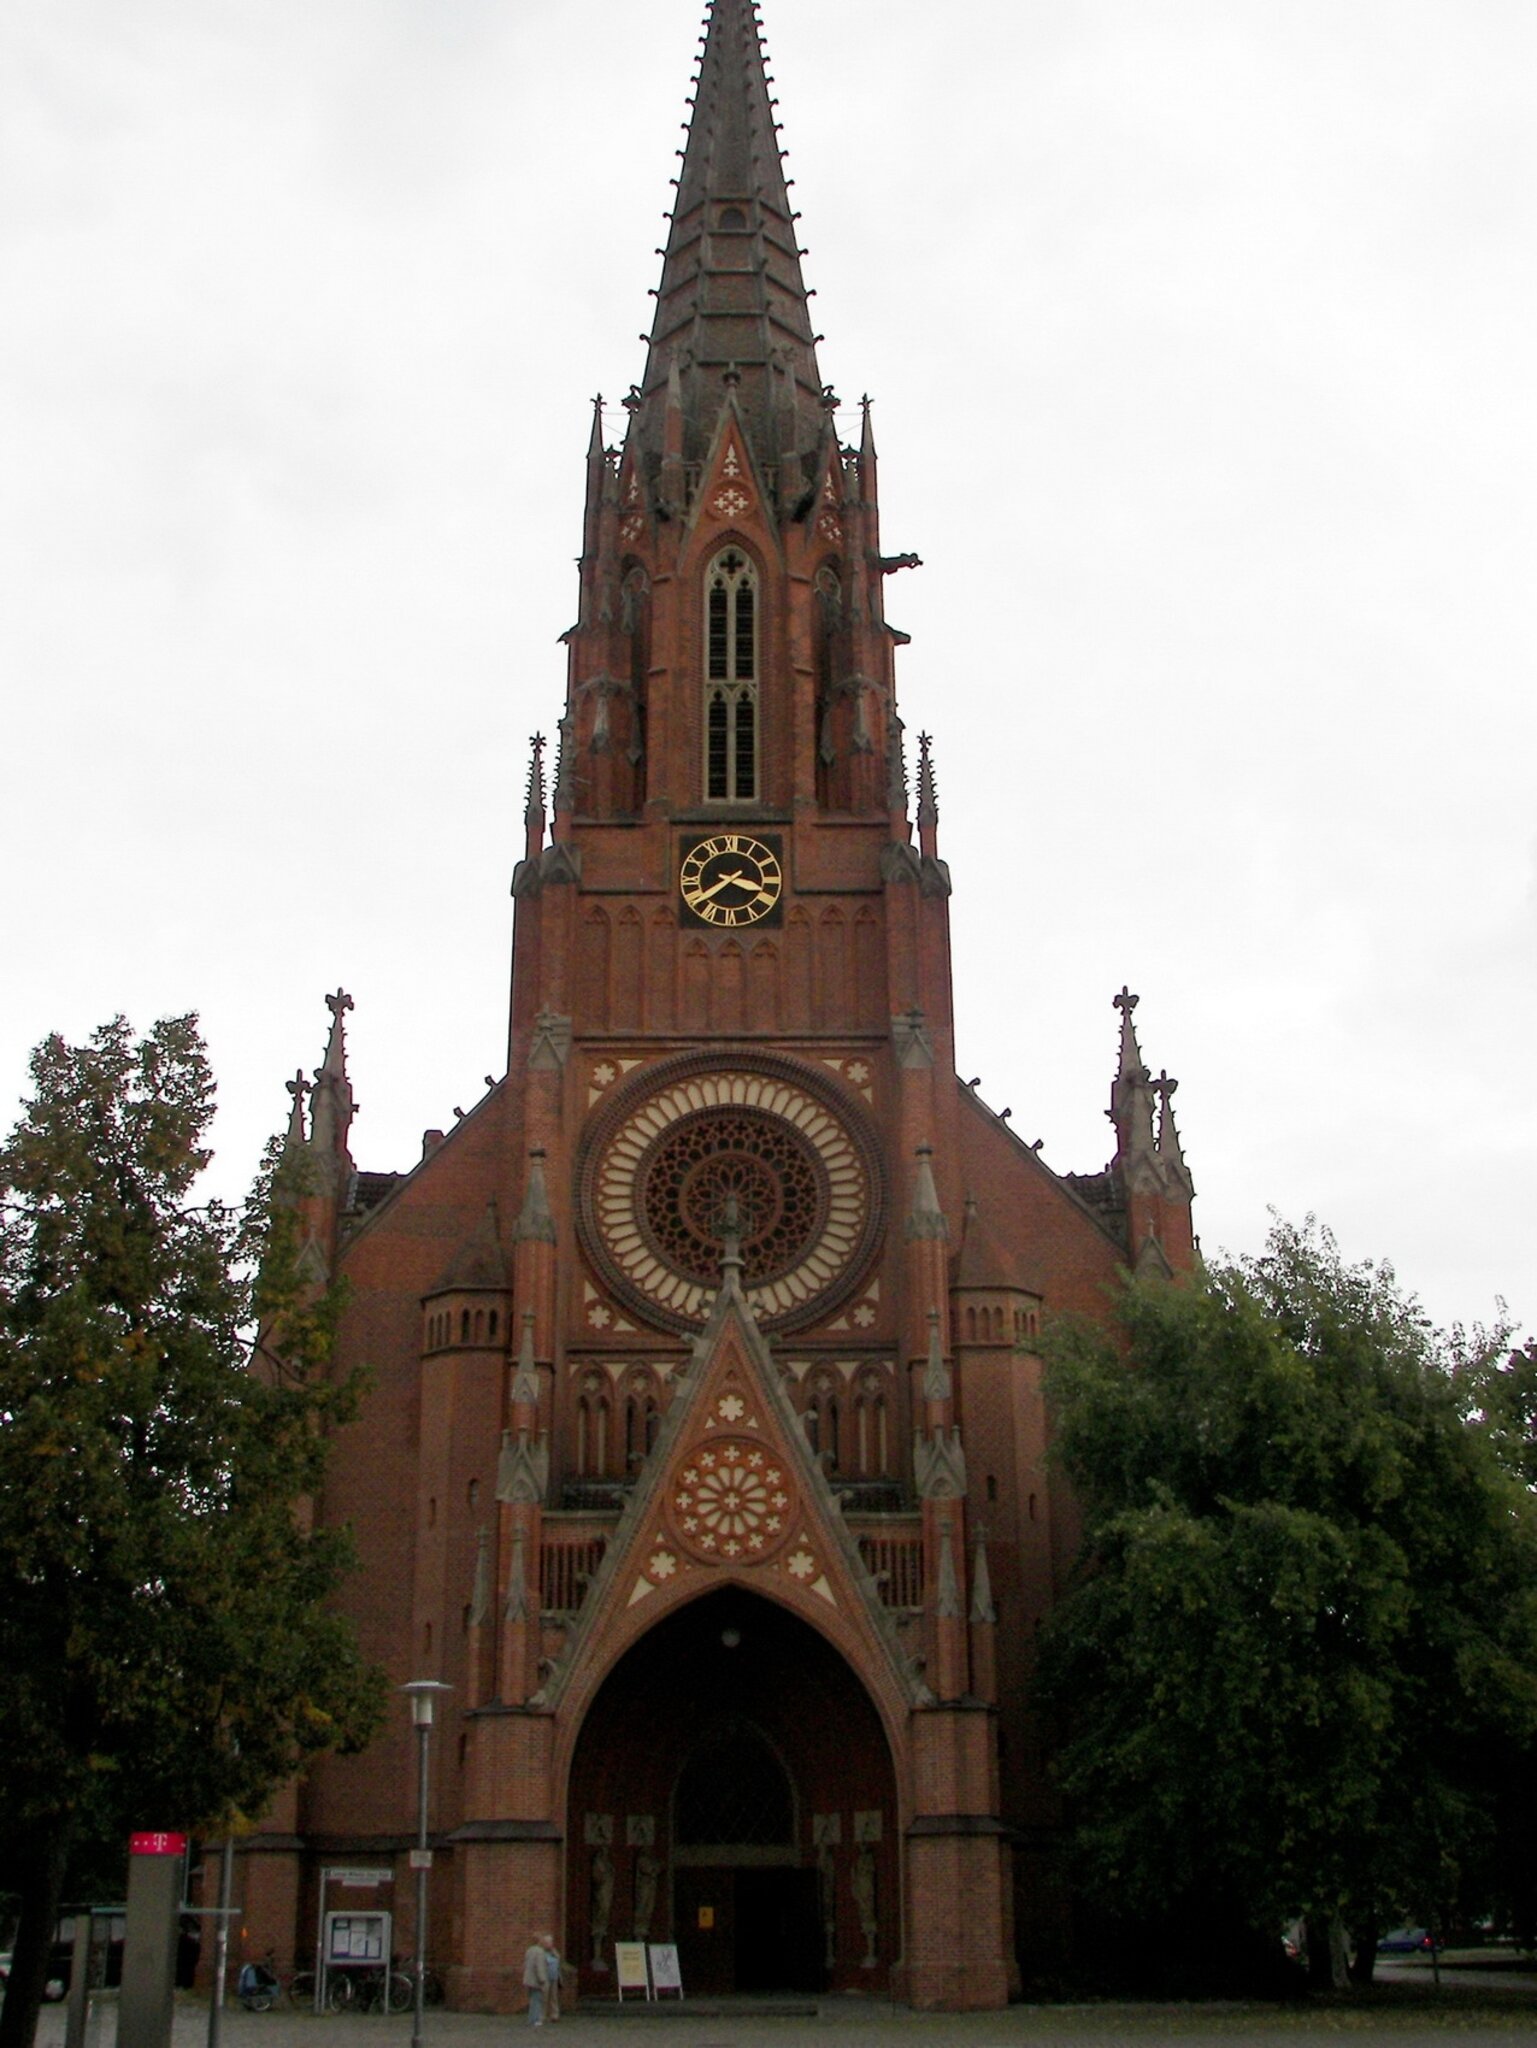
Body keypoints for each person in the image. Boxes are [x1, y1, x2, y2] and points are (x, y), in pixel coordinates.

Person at [522, 1935, 548, 2027]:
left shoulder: (529, 1950)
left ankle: (531, 2018)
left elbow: (525, 1964)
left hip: (528, 1978)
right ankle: (536, 2019)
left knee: (532, 1999)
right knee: (537, 1999)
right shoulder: (540, 1952)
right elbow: (539, 1966)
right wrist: (542, 1979)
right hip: (536, 1979)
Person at [539, 1933, 562, 2020]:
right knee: (544, 1997)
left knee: (554, 1997)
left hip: (554, 1977)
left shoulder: (554, 1952)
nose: (550, 1944)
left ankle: (554, 2014)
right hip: (545, 1978)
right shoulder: (541, 1952)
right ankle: (542, 2014)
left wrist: (554, 1953)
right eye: (548, 1942)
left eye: (551, 1942)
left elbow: (558, 1960)